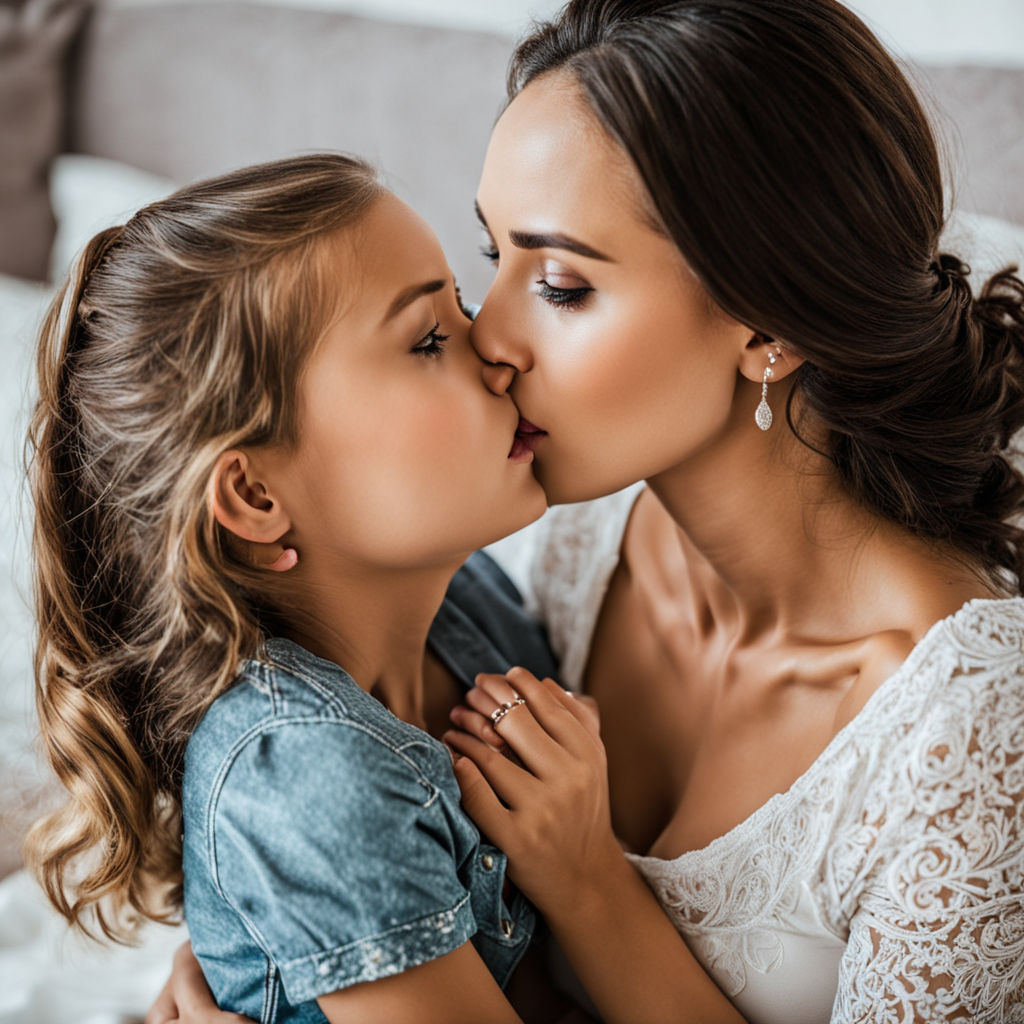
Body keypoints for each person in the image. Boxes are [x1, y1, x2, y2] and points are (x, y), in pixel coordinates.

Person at [150, 0, 1024, 1021]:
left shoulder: (967, 733)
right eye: (495, 260)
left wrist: (589, 882)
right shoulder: (576, 535)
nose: (489, 337)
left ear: (768, 323)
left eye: (561, 283)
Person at [26, 152, 602, 1023]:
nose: (495, 347)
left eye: (460, 300)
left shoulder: (468, 599)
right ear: (257, 497)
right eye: (428, 340)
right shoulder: (301, 771)